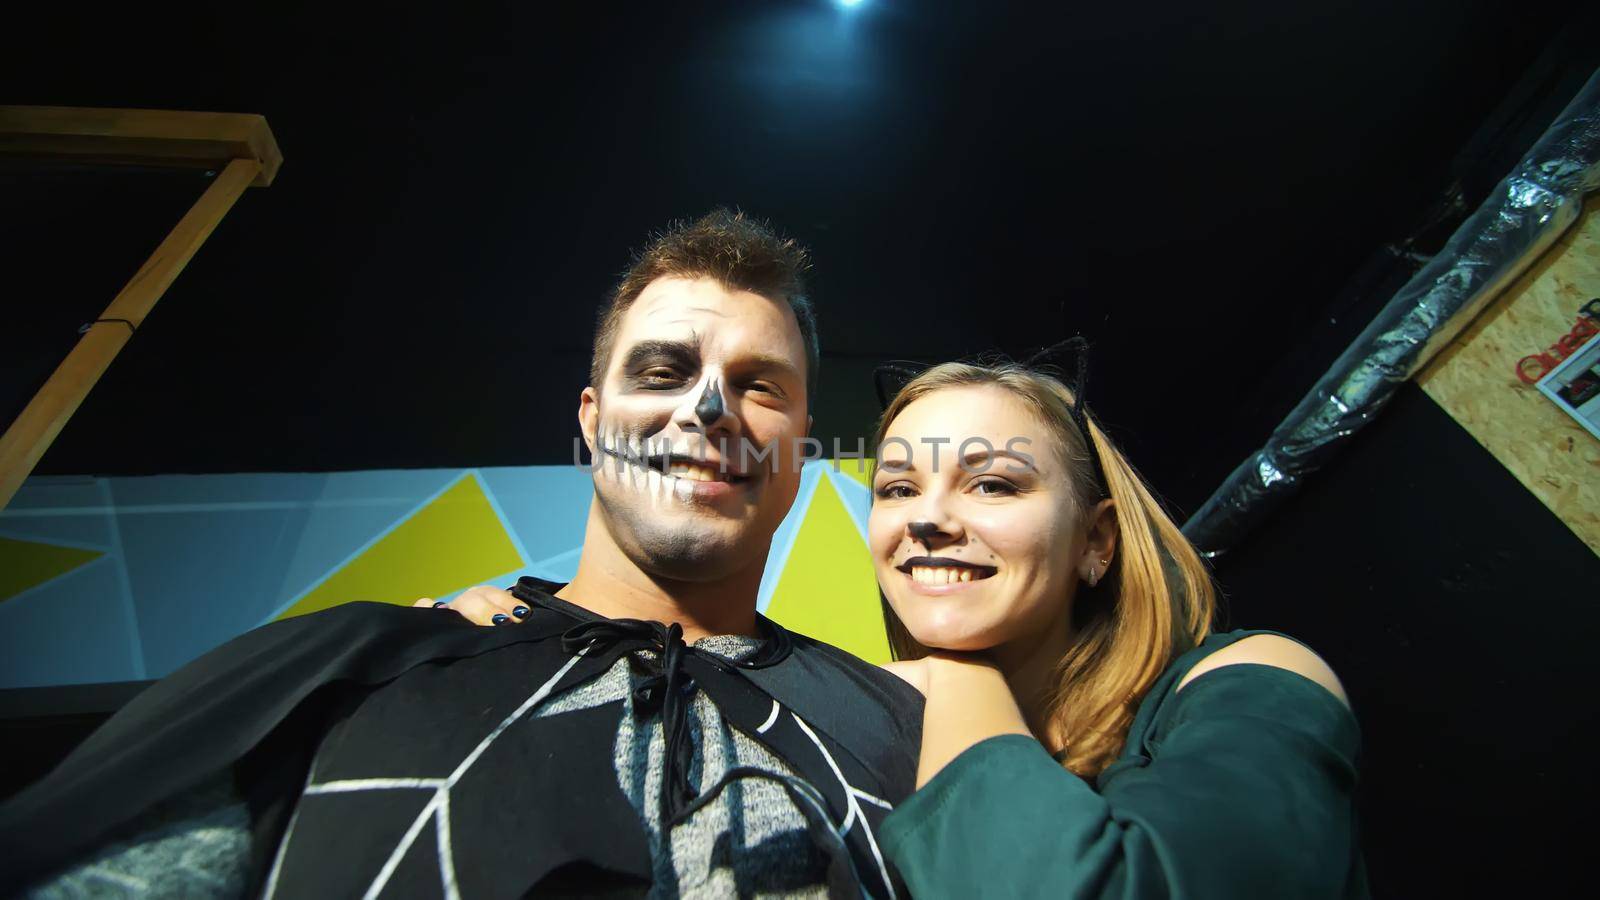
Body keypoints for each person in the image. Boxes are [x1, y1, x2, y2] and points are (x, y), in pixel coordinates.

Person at [1, 210, 922, 899]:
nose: (709, 408)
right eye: (662, 371)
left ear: (800, 446)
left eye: (759, 385)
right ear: (593, 423)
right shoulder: (361, 669)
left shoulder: (902, 730)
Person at [441, 355, 1367, 897]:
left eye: (993, 483)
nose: (926, 518)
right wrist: (513, 636)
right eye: (896, 488)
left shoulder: (1251, 681)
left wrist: (959, 676)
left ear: (1094, 543)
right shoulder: (876, 729)